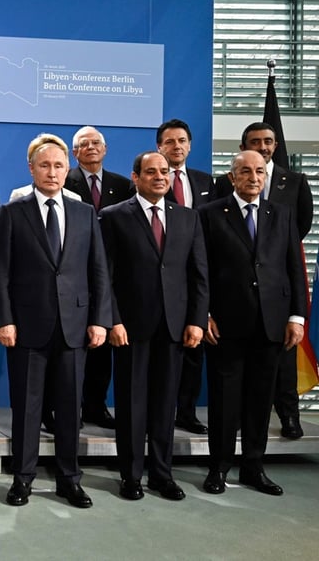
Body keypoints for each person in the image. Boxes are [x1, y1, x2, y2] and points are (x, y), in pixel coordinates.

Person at [0, 133, 110, 509]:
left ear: (67, 168)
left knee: (70, 409)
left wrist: (100, 320)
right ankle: (22, 478)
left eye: (59, 165)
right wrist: (4, 320)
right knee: (27, 409)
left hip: (75, 326)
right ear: (31, 169)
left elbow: (98, 270)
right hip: (26, 327)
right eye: (45, 165)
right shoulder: (13, 212)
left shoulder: (84, 212)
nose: (52, 172)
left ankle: (69, 479)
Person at [99, 151, 208, 502]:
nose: (160, 176)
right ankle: (130, 476)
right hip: (130, 328)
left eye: (164, 171)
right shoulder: (113, 216)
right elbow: (104, 277)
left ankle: (162, 474)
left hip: (175, 328)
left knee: (164, 405)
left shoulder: (188, 217)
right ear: (136, 177)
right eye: (151, 171)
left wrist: (196, 320)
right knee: (132, 405)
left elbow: (199, 275)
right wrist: (113, 320)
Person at [199, 150, 306, 497]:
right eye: (245, 171)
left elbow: (294, 268)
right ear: (232, 177)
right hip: (225, 325)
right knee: (224, 401)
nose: (254, 178)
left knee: (261, 400)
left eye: (259, 171)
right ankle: (218, 468)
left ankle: (253, 468)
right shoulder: (209, 214)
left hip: (272, 324)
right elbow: (200, 270)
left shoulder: (282, 214)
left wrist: (296, 316)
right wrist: (204, 314)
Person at [214, 122, 313, 440]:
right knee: (229, 391)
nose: (254, 177)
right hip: (231, 311)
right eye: (255, 141)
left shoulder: (291, 192)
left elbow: (295, 253)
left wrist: (297, 315)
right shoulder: (216, 199)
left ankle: (281, 426)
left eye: (268, 141)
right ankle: (225, 453)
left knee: (274, 379)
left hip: (274, 307)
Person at [63, 126, 134, 430]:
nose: (91, 147)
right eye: (84, 144)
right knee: (71, 348)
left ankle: (95, 405)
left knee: (102, 347)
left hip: (110, 276)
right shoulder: (63, 180)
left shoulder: (123, 184)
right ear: (74, 152)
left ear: (105, 149)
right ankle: (68, 408)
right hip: (72, 274)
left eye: (96, 143)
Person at [157, 118, 215, 436]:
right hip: (162, 280)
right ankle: (159, 414)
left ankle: (187, 412)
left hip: (197, 276)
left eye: (181, 141)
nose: (176, 146)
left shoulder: (206, 181)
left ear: (190, 146)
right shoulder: (148, 179)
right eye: (169, 141)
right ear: (160, 147)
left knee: (194, 352)